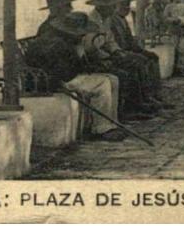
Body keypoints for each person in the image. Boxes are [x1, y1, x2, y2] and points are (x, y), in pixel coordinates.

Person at [24, 11, 127, 139]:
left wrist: (90, 66)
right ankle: (101, 128)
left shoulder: (63, 40)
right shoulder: (57, 44)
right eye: (81, 33)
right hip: (55, 81)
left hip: (60, 77)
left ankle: (112, 122)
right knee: (103, 83)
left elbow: (73, 67)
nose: (83, 36)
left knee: (113, 79)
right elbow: (67, 73)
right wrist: (81, 57)